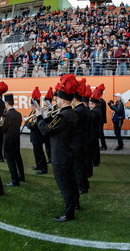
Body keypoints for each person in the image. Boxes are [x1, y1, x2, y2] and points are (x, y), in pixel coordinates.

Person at [36, 74, 79, 222]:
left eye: (58, 99)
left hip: (60, 156)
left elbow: (46, 130)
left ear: (62, 99)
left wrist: (39, 117)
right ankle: (75, 204)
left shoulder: (63, 116)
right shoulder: (70, 113)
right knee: (71, 182)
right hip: (67, 153)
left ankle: (68, 213)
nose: (56, 101)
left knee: (64, 186)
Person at [0, 93, 25, 186]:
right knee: (18, 159)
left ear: (6, 103)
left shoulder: (7, 115)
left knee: (11, 162)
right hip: (16, 140)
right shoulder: (18, 114)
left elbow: (3, 128)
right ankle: (21, 176)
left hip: (8, 141)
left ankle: (14, 180)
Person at [72, 78, 90, 194]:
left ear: (74, 99)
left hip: (78, 142)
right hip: (83, 141)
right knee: (81, 165)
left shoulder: (78, 111)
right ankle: (83, 185)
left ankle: (82, 186)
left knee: (79, 166)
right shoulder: (84, 109)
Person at [26, 87, 47, 175]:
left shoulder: (38, 112)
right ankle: (38, 165)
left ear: (34, 105)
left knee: (39, 153)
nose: (30, 106)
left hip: (37, 136)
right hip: (35, 136)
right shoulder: (34, 112)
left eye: (31, 105)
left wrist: (27, 124)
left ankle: (43, 168)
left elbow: (34, 126)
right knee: (36, 152)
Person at [89, 88, 103, 166]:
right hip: (95, 131)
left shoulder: (95, 111)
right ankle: (95, 160)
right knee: (95, 147)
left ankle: (95, 161)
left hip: (94, 132)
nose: (89, 105)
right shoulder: (96, 110)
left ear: (94, 104)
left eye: (90, 104)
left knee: (94, 148)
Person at [97, 84, 108, 151]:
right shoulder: (101, 101)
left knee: (101, 133)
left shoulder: (101, 101)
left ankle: (104, 145)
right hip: (101, 119)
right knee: (100, 133)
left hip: (101, 120)